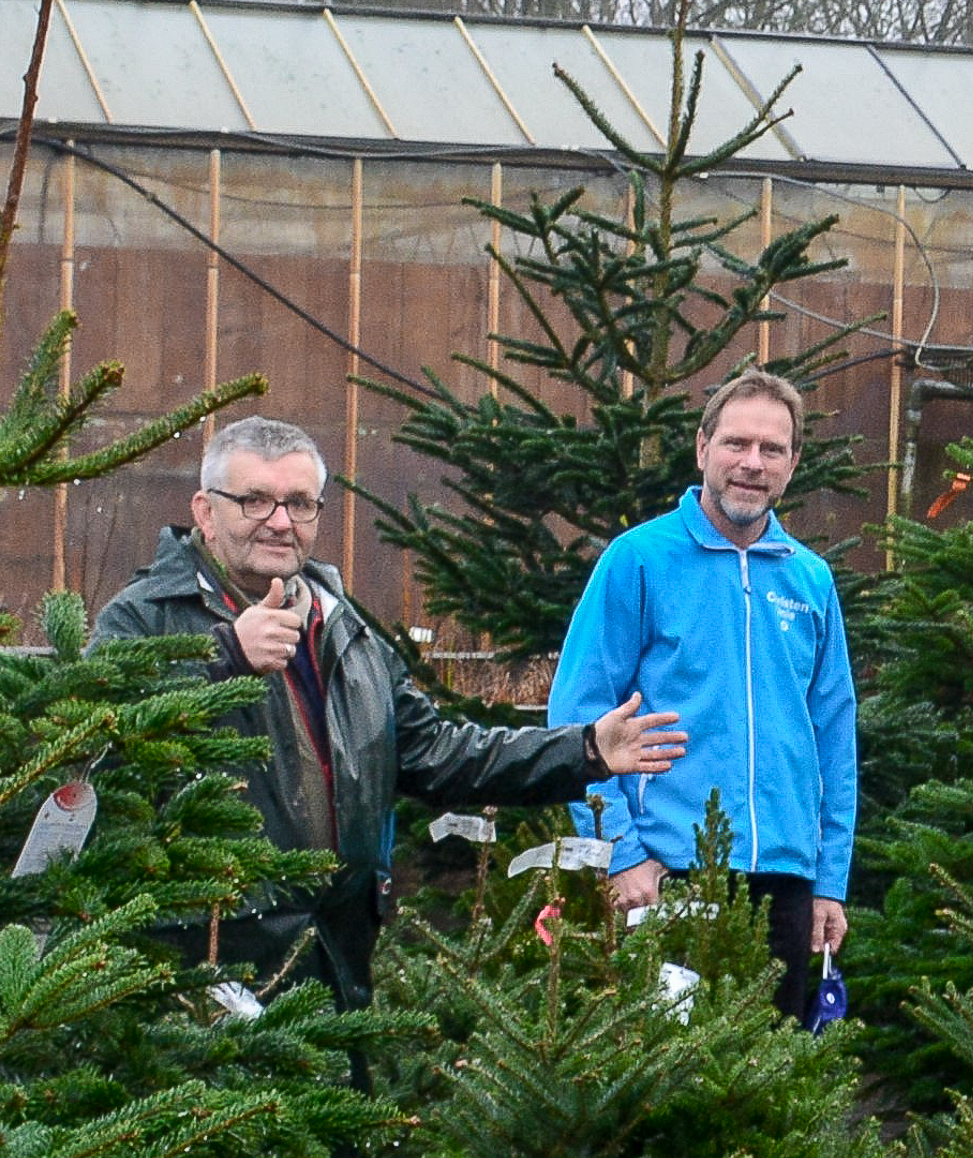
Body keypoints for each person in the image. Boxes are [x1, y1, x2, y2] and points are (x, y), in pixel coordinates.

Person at [100, 414, 687, 1009]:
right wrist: (225, 657)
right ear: (205, 512)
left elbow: (436, 752)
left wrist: (584, 750)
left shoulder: (342, 626)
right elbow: (94, 751)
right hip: (198, 973)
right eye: (255, 501)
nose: (280, 522)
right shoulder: (144, 617)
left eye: (299, 504)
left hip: (334, 958)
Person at [549, 367, 868, 1158]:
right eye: (737, 441)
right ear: (702, 448)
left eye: (772, 447)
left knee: (774, 1088)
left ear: (793, 463)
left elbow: (834, 732)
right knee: (669, 1085)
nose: (751, 462)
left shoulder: (807, 580)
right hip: (673, 872)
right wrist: (621, 850)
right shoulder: (640, 562)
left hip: (782, 874)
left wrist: (829, 877)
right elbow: (579, 714)